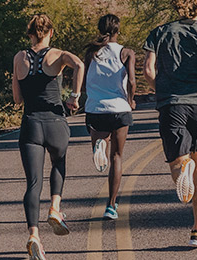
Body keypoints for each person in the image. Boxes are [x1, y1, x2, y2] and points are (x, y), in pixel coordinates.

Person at [142, 0, 197, 248]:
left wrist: (163, 90)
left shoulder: (159, 32)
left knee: (177, 162)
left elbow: (148, 69)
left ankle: (182, 165)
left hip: (172, 103)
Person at [11, 13, 87, 260]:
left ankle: (34, 235)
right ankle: (55, 207)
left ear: (29, 32)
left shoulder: (19, 58)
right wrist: (74, 96)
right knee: (59, 163)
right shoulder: (59, 55)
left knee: (33, 183)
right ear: (50, 32)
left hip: (30, 124)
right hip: (55, 121)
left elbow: (17, 99)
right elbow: (80, 65)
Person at [74, 14, 136, 221]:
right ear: (118, 30)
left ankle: (100, 143)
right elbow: (132, 82)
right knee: (116, 157)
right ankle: (111, 206)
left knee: (101, 142)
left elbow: (83, 80)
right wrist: (131, 99)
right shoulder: (127, 52)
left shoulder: (91, 52)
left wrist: (84, 94)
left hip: (95, 109)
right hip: (119, 109)